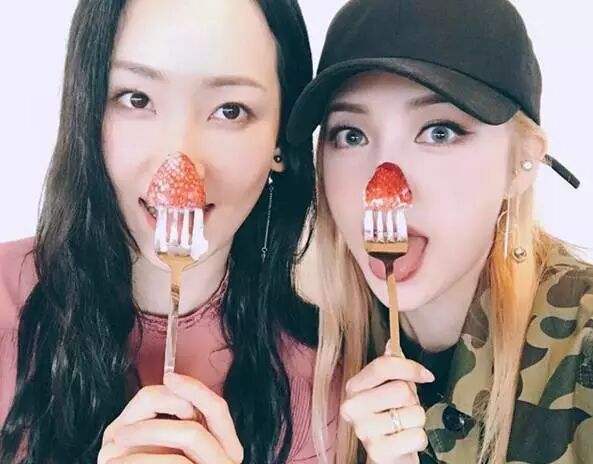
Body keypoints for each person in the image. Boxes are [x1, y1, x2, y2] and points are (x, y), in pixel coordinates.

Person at [0, 0, 340, 462]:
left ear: (280, 141)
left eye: (230, 110)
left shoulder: (325, 390)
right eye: (137, 99)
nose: (179, 162)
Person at [288, 0, 592, 462]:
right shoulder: (304, 358)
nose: (383, 186)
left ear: (522, 161)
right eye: (351, 135)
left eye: (439, 132)